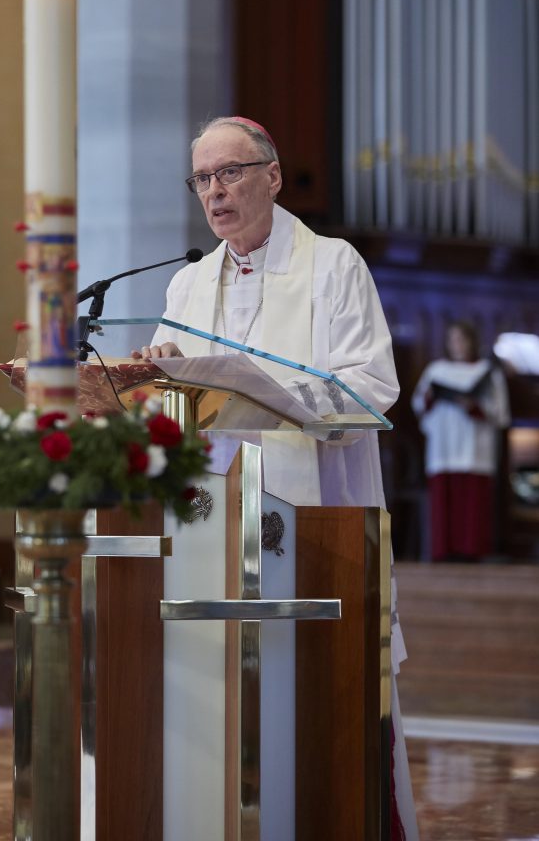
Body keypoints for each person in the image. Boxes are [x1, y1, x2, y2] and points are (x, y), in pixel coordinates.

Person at [132, 115, 419, 840]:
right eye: (202, 178)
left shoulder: (332, 265)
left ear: (273, 176)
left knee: (326, 708)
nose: (214, 191)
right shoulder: (188, 282)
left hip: (317, 521)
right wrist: (148, 387)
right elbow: (180, 413)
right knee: (220, 708)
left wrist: (266, 390)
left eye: (230, 172)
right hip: (210, 528)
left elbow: (372, 385)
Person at [411, 320, 510, 562]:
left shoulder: (488, 371)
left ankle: (472, 552)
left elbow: (500, 412)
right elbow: (418, 404)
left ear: (472, 342)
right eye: (453, 339)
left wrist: (473, 406)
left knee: (472, 505)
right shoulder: (436, 370)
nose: (457, 345)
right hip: (443, 448)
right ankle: (443, 552)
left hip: (474, 447)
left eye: (462, 339)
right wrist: (431, 397)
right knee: (445, 503)